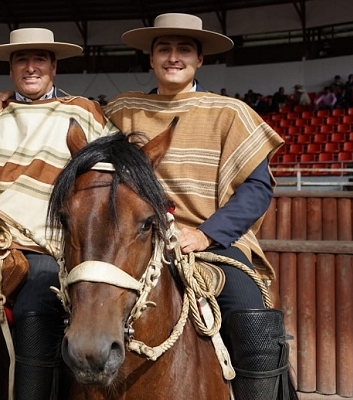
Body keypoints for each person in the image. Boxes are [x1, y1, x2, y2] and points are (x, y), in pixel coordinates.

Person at [104, 13, 290, 399]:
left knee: (255, 331)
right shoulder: (120, 111)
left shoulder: (230, 112)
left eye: (184, 49)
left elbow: (256, 190)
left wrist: (205, 235)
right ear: (151, 58)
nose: (174, 57)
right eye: (164, 49)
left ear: (200, 59)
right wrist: (1, 102)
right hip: (130, 243)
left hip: (215, 245)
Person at [0, 27, 114, 400]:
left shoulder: (82, 113)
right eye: (22, 59)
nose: (31, 67)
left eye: (40, 59)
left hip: (46, 247)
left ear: (54, 66)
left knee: (39, 302)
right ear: (11, 68)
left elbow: (106, 180)